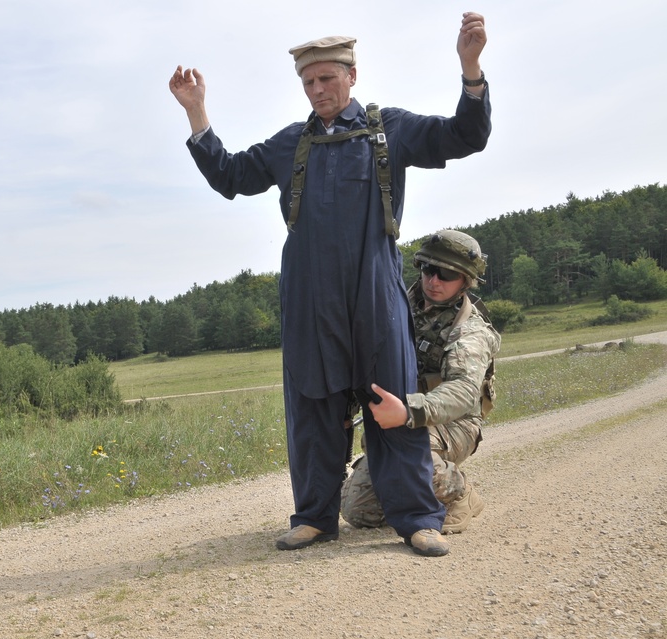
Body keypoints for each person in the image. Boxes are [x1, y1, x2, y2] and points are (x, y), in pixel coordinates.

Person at [169, 13, 491, 556]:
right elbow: (231, 176)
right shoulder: (292, 143)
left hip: (375, 291)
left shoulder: (390, 129)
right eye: (308, 82)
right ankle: (315, 516)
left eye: (327, 79)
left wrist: (470, 66)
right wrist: (197, 113)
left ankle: (417, 517)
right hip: (308, 296)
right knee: (312, 405)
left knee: (390, 397)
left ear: (352, 76)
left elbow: (465, 136)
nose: (318, 90)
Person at [342, 230, 500, 534]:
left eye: (446, 274)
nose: (434, 280)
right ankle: (413, 490)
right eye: (428, 269)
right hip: (402, 415)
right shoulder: (397, 305)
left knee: (408, 453)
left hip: (455, 423)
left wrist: (410, 411)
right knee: (357, 510)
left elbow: (464, 392)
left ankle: (460, 493)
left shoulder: (469, 329)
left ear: (466, 280)